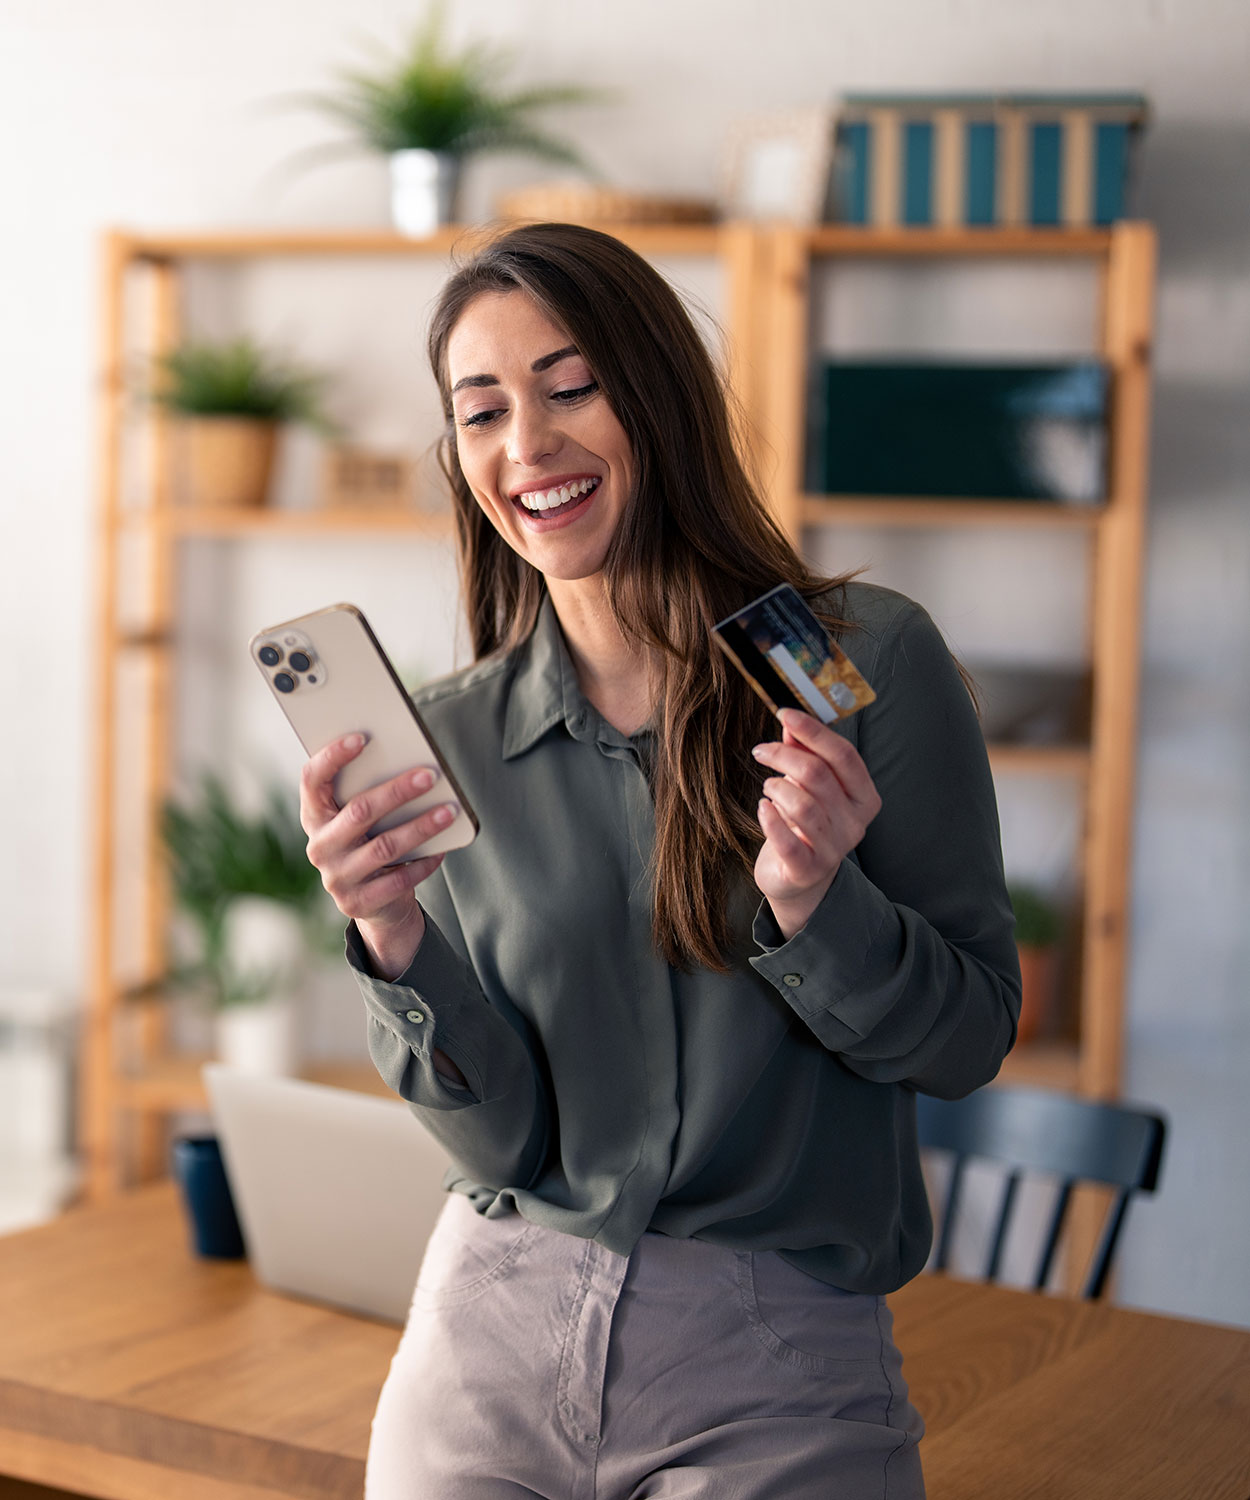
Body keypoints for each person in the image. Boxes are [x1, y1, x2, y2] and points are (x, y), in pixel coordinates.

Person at [299, 222, 1020, 1499]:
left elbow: (962, 1045)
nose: (527, 445)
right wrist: (397, 949)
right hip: (487, 1338)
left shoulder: (861, 663)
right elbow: (502, 1146)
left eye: (572, 388)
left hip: (775, 1360)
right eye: (482, 413)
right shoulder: (451, 737)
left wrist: (815, 906)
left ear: (662, 397)